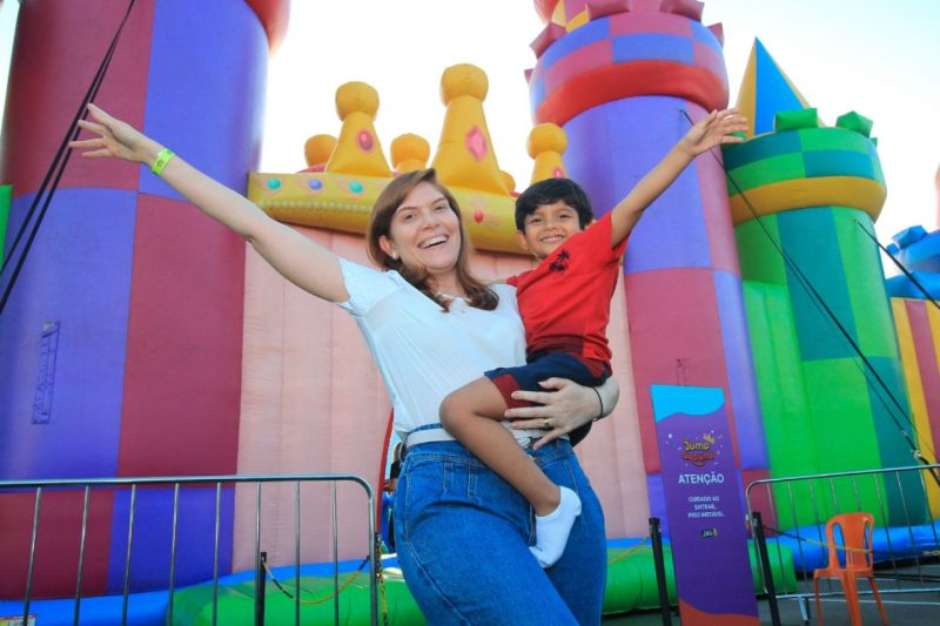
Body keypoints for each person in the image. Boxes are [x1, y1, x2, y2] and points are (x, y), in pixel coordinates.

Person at [70, 103, 619, 625]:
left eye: (439, 208)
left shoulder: (511, 298)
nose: (430, 221)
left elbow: (592, 366)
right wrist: (155, 157)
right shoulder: (378, 294)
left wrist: (593, 400)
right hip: (453, 486)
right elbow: (256, 226)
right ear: (390, 244)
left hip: (553, 472)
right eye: (409, 216)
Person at [439, 109, 747, 567]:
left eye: (564, 216)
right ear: (523, 236)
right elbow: (464, 295)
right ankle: (535, 521)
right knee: (502, 450)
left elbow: (637, 200)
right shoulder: (520, 285)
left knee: (459, 408)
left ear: (586, 227)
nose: (551, 226)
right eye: (537, 220)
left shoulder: (590, 251)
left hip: (572, 365)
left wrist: (686, 148)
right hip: (546, 375)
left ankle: (553, 505)